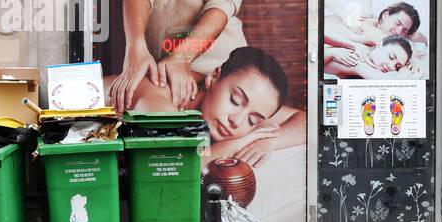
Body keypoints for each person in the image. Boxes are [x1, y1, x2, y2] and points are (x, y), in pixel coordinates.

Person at [123, 45, 306, 168]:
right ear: (212, 77)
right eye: (235, 100)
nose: (236, 121)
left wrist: (269, 141)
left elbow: (308, 121)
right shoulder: (159, 93)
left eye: (253, 121)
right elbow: (176, 165)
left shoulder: (245, 106)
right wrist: (241, 142)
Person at [107, 0, 246, 111]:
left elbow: (223, 2)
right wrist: (136, 45)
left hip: (217, 67)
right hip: (160, 70)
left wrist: (182, 57)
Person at [324, 35, 414, 79]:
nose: (391, 66)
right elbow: (392, 83)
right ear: (379, 44)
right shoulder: (358, 61)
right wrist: (405, 70)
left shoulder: (367, 53)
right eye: (391, 56)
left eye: (397, 67)